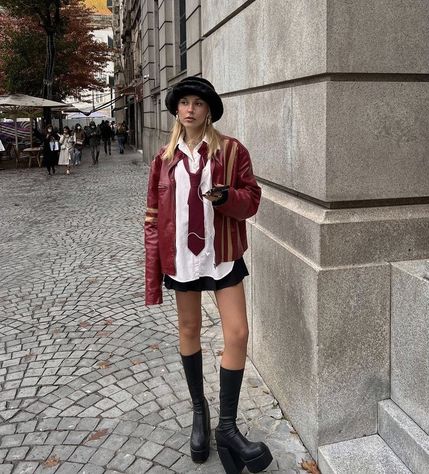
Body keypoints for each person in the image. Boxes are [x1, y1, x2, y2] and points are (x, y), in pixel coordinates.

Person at [144, 77, 272, 473]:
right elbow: (152, 219)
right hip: (182, 258)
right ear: (176, 110)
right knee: (189, 330)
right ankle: (200, 412)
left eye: (198, 103)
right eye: (183, 102)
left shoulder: (232, 151)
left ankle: (228, 427)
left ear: (209, 110)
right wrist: (153, 277)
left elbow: (251, 200)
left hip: (221, 255)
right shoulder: (163, 160)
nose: (190, 109)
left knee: (237, 333)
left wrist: (225, 197)